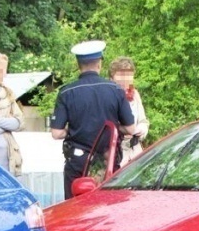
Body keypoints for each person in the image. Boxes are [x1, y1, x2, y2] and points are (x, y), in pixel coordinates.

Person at [50, 40, 135, 199]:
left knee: (74, 208)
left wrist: (73, 129)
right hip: (108, 162)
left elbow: (56, 133)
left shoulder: (66, 92)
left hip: (78, 164)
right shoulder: (116, 90)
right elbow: (131, 128)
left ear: (78, 65)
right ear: (99, 64)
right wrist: (112, 127)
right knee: (108, 206)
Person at [108, 56, 150, 164]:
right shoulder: (108, 97)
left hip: (135, 151)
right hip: (116, 153)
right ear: (112, 78)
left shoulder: (135, 94)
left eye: (129, 75)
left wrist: (142, 129)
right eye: (121, 75)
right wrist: (127, 129)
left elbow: (143, 121)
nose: (125, 79)